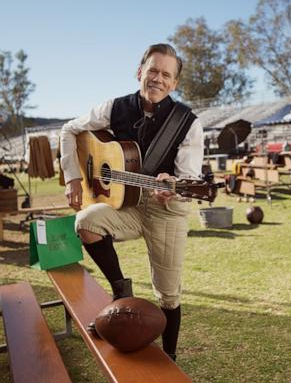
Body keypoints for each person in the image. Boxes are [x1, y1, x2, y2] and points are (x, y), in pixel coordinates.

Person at [60, 43, 204, 361]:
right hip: (128, 202)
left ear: (174, 83)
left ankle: (169, 358)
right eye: (152, 70)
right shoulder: (115, 107)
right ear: (139, 73)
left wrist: (173, 187)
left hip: (166, 208)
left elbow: (189, 178)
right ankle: (121, 294)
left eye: (166, 74)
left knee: (167, 295)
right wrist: (73, 176)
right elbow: (69, 130)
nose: (158, 78)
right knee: (85, 222)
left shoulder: (189, 123)